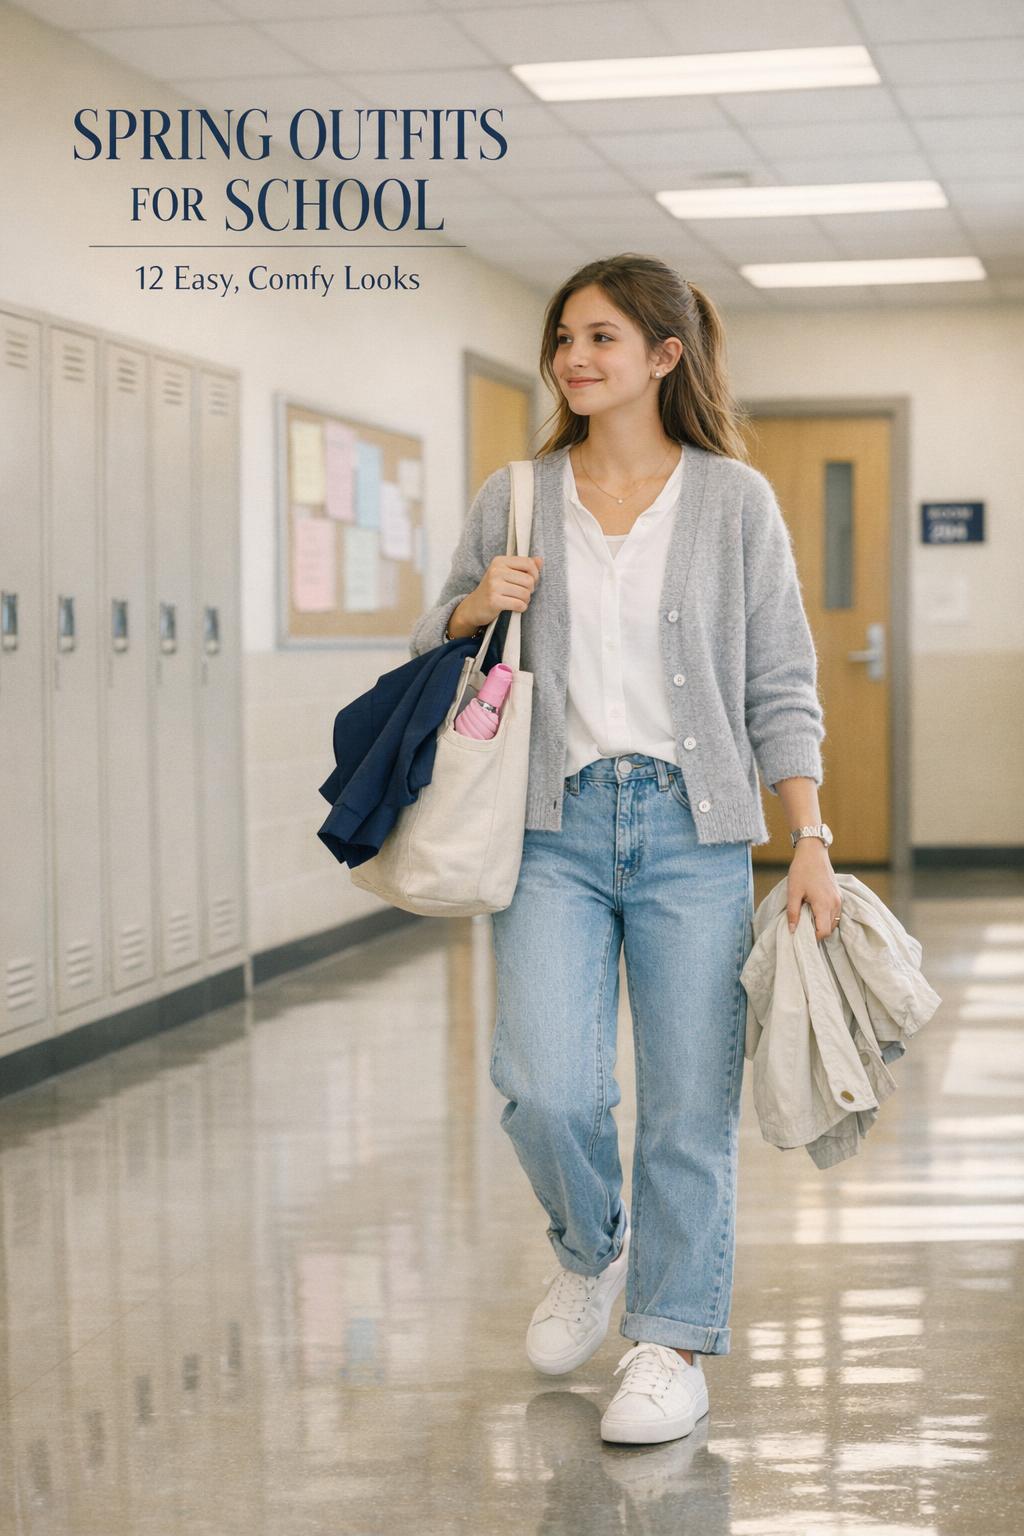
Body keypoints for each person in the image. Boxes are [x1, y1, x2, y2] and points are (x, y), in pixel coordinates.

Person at [409, 252, 842, 1445]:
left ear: (664, 356)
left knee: (685, 1112)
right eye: (562, 339)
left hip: (690, 831)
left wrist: (806, 834)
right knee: (546, 1087)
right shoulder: (518, 491)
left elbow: (781, 681)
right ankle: (591, 1252)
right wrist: (473, 602)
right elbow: (427, 636)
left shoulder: (733, 501)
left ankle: (669, 1341)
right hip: (548, 823)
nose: (571, 359)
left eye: (599, 338)